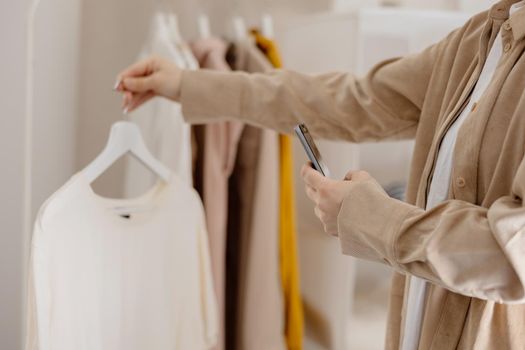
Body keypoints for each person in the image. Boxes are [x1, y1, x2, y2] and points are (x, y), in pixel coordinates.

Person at [115, 1, 525, 348]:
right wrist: (189, 84)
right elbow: (349, 101)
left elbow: (511, 256)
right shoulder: (477, 39)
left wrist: (368, 218)